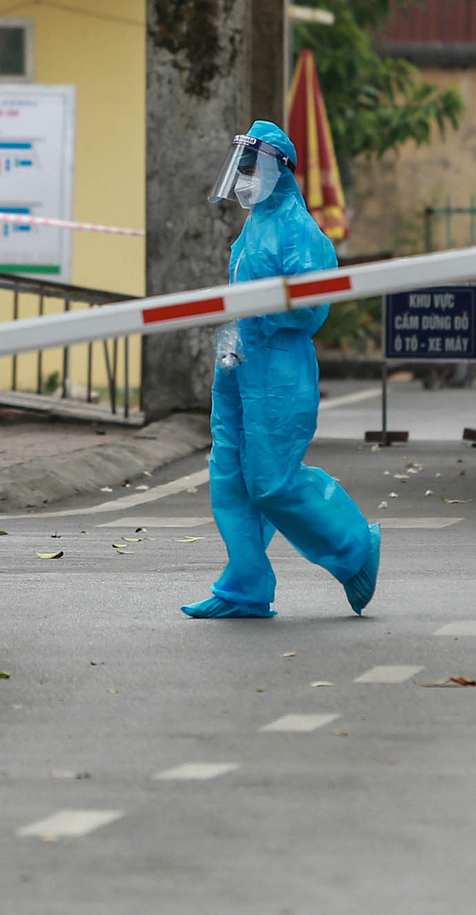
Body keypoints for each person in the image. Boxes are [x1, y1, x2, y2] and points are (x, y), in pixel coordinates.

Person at [183, 120, 382, 618]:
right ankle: (244, 585)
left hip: (278, 372)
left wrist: (259, 319)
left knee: (271, 479)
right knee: (229, 473)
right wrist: (232, 331)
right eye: (241, 167)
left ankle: (355, 548)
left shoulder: (297, 228)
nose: (245, 177)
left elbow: (313, 306)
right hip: (239, 367)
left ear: (277, 170)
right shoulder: (253, 227)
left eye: (252, 167)